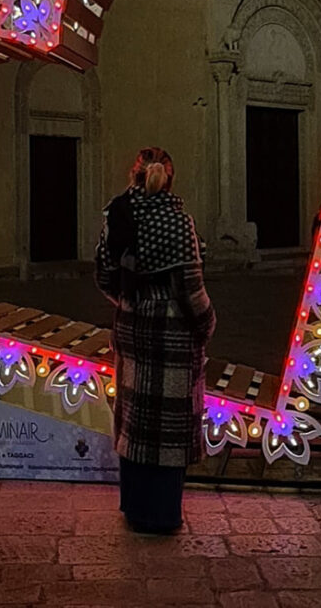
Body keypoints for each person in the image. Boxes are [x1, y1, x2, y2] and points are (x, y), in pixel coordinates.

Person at [95, 147, 216, 534]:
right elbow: (192, 290)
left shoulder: (118, 214)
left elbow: (103, 275)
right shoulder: (177, 221)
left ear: (134, 175)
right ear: (170, 177)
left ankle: (134, 507)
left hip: (131, 328)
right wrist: (206, 325)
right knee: (167, 429)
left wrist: (130, 302)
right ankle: (161, 516)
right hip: (172, 334)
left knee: (134, 421)